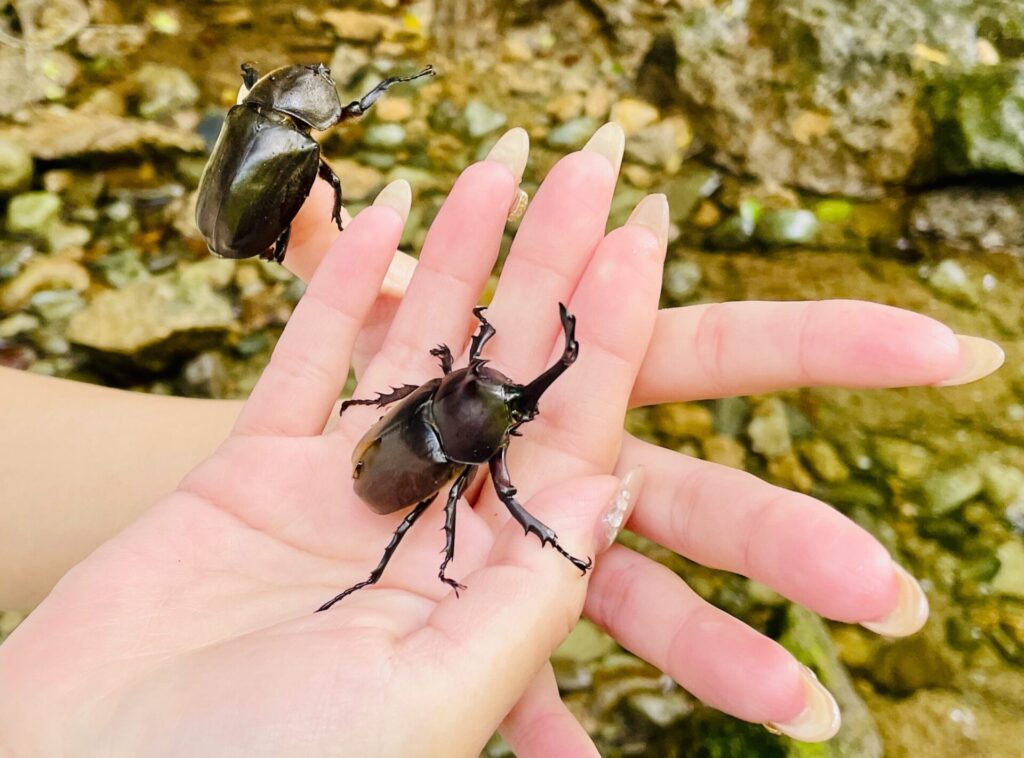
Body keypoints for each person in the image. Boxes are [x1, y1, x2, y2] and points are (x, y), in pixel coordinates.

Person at [0, 124, 1003, 755]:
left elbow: (432, 402)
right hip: (400, 460)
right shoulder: (473, 434)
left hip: (401, 447)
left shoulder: (453, 408)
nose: (509, 395)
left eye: (503, 397)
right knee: (416, 530)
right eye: (503, 395)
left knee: (422, 518)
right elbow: (476, 453)